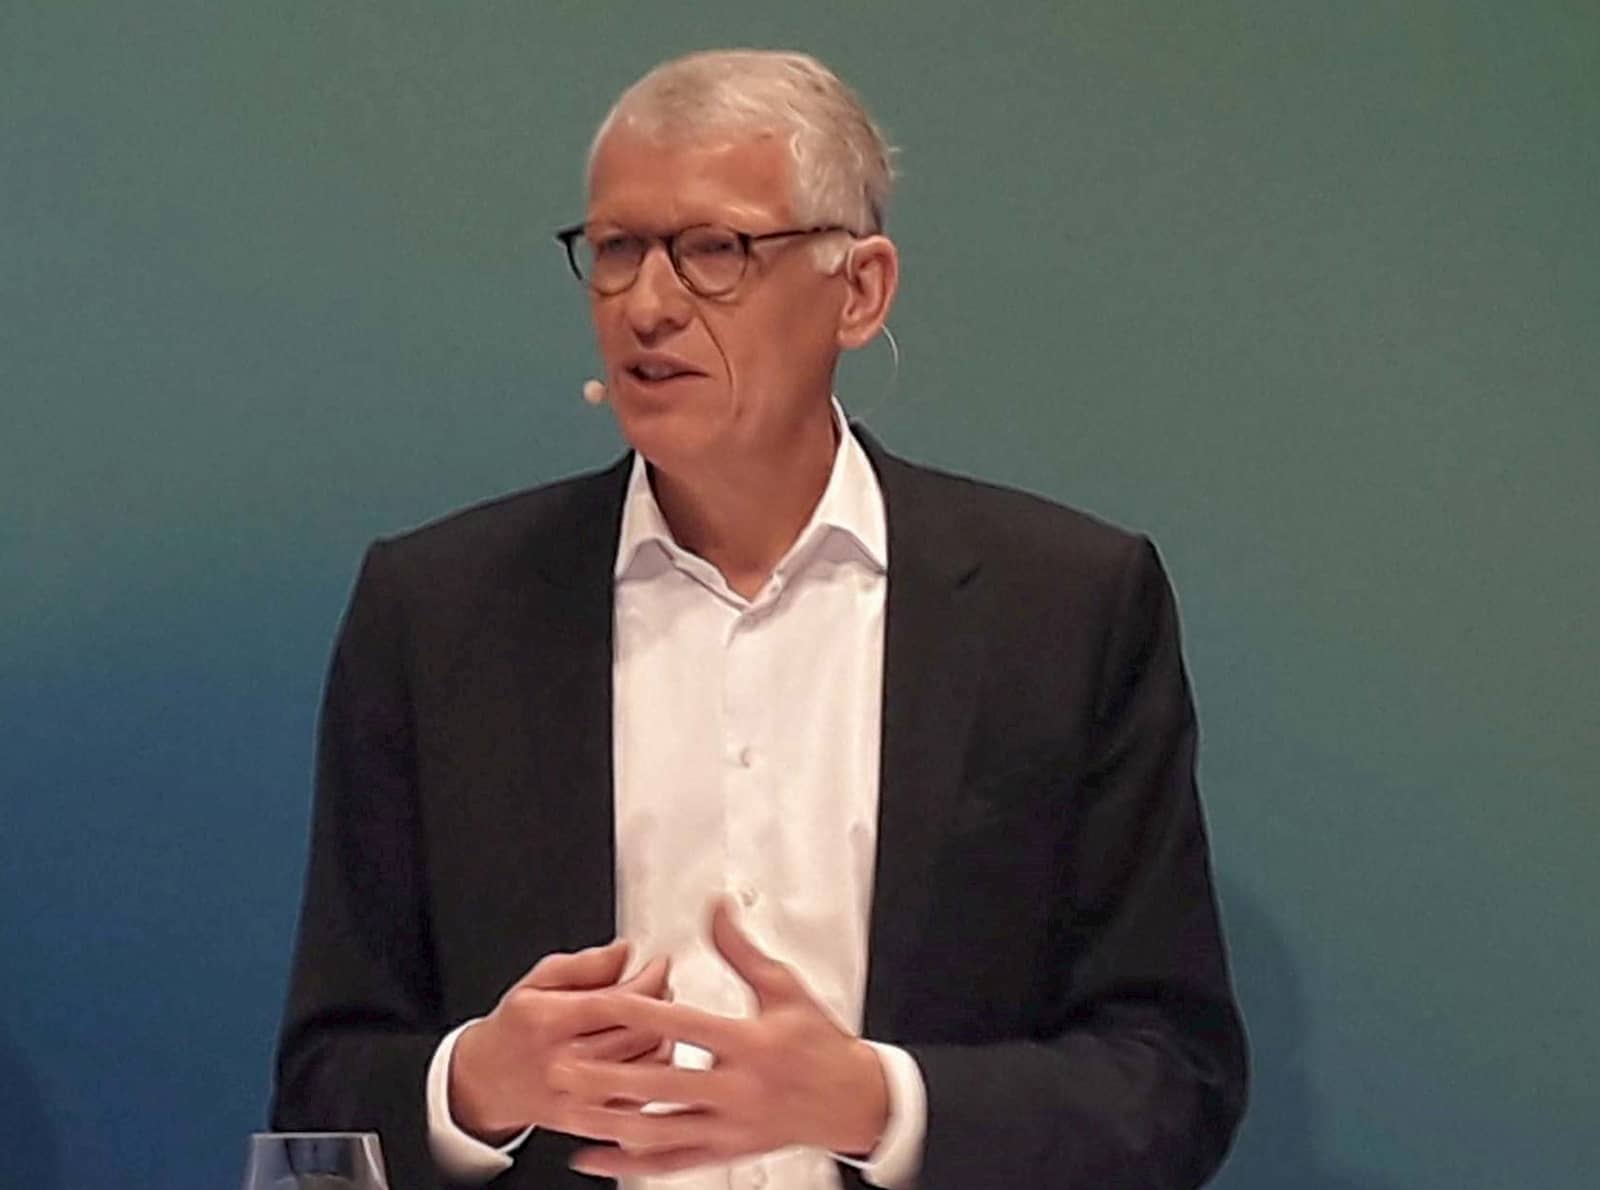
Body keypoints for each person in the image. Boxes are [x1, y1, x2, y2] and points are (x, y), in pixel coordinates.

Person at [270, 48, 1248, 1190]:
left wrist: (878, 1105)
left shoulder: (1066, 608)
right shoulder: (439, 612)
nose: (647, 305)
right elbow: (322, 1092)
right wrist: (476, 1086)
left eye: (714, 250)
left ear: (859, 290)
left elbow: (1170, 1079)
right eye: (617, 249)